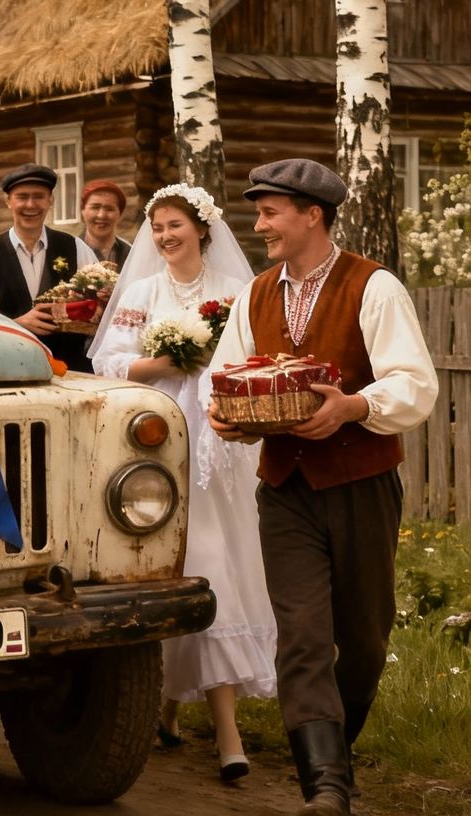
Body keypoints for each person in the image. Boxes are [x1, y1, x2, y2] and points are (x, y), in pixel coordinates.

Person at [207, 159, 438, 815]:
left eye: (270, 212)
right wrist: (227, 416)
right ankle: (325, 787)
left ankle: (337, 756)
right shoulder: (256, 294)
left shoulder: (374, 286)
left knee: (364, 642)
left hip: (362, 483)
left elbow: (414, 383)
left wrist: (353, 407)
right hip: (286, 488)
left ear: (313, 215)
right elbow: (227, 374)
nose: (259, 225)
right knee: (304, 637)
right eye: (259, 213)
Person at [89, 185, 277, 783]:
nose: (166, 236)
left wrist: (219, 366)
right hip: (158, 444)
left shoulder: (237, 291)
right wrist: (168, 363)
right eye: (158, 227)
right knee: (179, 567)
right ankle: (196, 719)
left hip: (221, 445)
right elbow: (108, 361)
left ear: (201, 229)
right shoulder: (142, 293)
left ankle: (205, 724)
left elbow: (257, 360)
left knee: (215, 564)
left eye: (175, 225)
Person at [0, 163, 99, 372]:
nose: (31, 204)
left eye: (39, 196)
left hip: (71, 371)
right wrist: (17, 323)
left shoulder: (75, 247)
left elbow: (98, 302)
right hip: (7, 371)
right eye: (22, 197)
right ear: (8, 202)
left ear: (50, 200)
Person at [80, 179, 132, 268]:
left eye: (109, 209)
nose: (101, 215)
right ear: (82, 211)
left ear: (120, 214)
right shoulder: (71, 250)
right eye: (95, 207)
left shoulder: (131, 253)